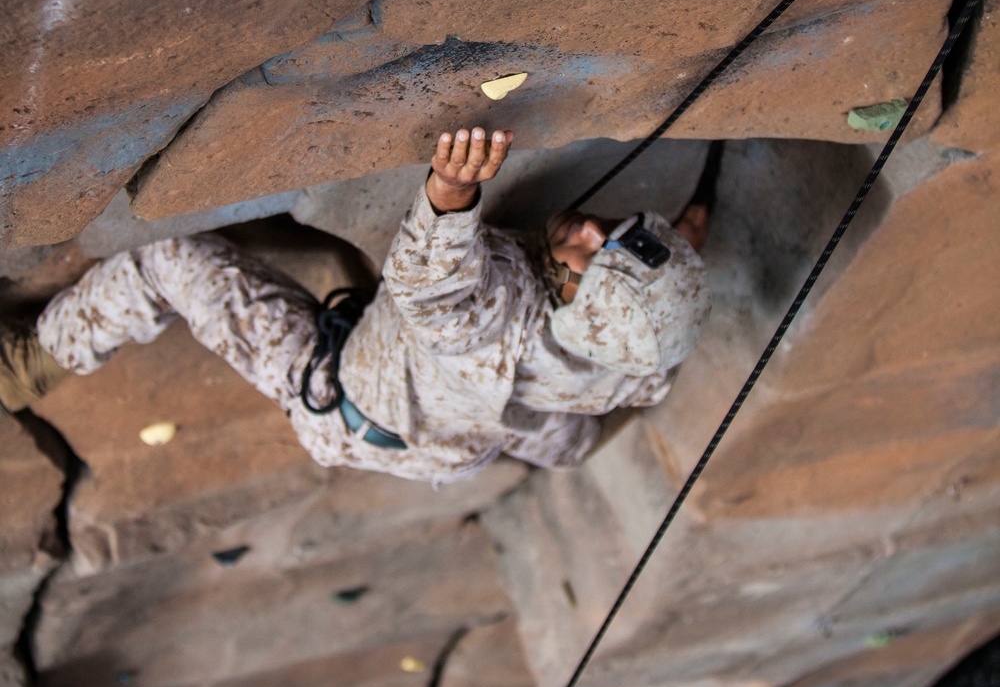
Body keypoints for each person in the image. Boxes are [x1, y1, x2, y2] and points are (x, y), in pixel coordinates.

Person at [1, 128, 712, 483]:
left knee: (165, 263)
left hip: (344, 404)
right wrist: (668, 257)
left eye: (592, 257)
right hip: (454, 445)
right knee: (563, 441)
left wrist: (450, 192)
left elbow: (431, 289)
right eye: (617, 233)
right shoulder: (630, 361)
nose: (591, 230)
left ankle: (27, 364)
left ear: (569, 303)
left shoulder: (494, 311)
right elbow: (649, 359)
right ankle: (550, 446)